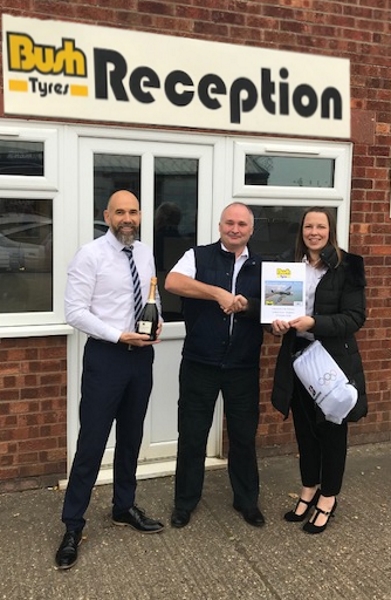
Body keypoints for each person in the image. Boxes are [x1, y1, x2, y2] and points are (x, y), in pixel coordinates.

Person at [55, 190, 164, 570]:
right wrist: (118, 335)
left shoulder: (145, 251)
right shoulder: (91, 255)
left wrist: (158, 319)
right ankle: (72, 525)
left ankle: (123, 507)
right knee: (92, 443)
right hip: (107, 357)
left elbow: (151, 294)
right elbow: (74, 312)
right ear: (107, 215)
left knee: (131, 437)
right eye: (120, 212)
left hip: (141, 358)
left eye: (133, 211)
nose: (128, 218)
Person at [165, 202, 265, 528]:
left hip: (243, 365)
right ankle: (185, 503)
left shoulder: (264, 265)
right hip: (200, 362)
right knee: (192, 436)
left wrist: (251, 306)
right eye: (229, 223)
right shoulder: (198, 255)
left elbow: (278, 308)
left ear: (251, 230)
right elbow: (173, 282)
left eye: (242, 225)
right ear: (220, 226)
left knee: (243, 436)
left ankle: (247, 501)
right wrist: (217, 293)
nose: (235, 229)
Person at [270, 206, 367, 534]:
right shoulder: (287, 264)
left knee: (331, 430)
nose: (314, 232)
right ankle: (309, 487)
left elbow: (355, 317)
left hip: (332, 362)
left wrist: (315, 322)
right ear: (302, 230)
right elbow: (275, 310)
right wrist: (278, 325)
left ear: (330, 230)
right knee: (305, 431)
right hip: (298, 358)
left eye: (320, 226)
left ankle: (328, 496)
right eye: (308, 226)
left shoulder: (348, 265)